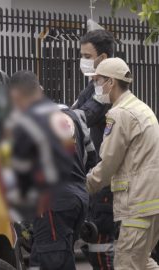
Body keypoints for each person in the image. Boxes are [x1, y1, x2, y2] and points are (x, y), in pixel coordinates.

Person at [9, 71, 91, 270]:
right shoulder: (71, 114)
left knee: (52, 260)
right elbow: (91, 156)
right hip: (77, 197)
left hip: (54, 201)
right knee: (46, 257)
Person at [87, 57, 159, 270]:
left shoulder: (119, 114)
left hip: (137, 203)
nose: (95, 86)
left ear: (111, 82)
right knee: (142, 261)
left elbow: (108, 163)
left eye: (98, 80)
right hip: (151, 203)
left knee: (126, 264)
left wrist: (86, 185)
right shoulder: (140, 107)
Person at [72, 29, 115, 269]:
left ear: (104, 58)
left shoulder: (107, 89)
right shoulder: (92, 86)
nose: (83, 60)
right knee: (91, 243)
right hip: (93, 178)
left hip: (106, 180)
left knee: (101, 246)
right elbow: (75, 110)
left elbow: (84, 116)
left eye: (87, 55)